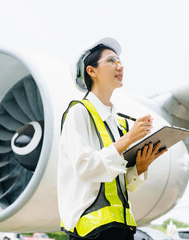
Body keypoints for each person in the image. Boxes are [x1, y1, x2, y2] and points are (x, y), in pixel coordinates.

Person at [57, 37, 167, 240]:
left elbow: (124, 184)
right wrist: (129, 138)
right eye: (111, 61)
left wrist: (140, 168)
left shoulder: (119, 124)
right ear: (91, 71)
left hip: (122, 229)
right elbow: (85, 169)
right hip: (90, 232)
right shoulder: (78, 113)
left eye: (120, 62)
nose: (119, 66)